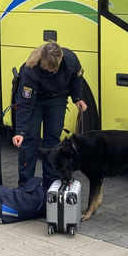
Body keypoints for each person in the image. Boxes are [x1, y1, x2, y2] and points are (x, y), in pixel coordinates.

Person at [11, 41, 87, 188]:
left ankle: (50, 184)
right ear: (41, 61)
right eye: (48, 69)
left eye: (55, 69)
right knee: (30, 139)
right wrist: (20, 131)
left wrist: (77, 97)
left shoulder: (71, 60)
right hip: (35, 99)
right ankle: (26, 185)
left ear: (61, 58)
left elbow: (77, 78)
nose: (51, 72)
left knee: (52, 140)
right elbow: (24, 104)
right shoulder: (30, 69)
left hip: (57, 99)